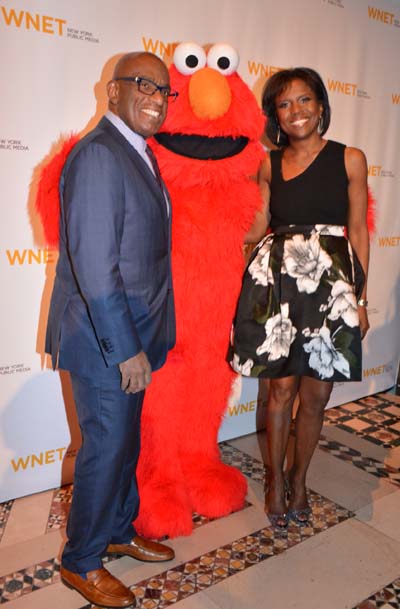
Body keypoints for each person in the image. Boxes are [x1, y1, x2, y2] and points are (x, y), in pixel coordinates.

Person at [45, 51, 177, 608]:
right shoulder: (99, 154)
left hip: (132, 334)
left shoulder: (137, 151)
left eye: (165, 91)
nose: (156, 98)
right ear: (113, 91)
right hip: (105, 342)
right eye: (144, 85)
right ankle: (81, 561)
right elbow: (97, 268)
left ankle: (118, 530)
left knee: (125, 444)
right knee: (104, 447)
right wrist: (126, 350)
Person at [230, 67, 369, 530]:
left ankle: (300, 477)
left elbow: (359, 231)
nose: (296, 112)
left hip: (330, 286)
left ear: (321, 105)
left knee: (315, 395)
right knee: (279, 390)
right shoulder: (268, 164)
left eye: (305, 100)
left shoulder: (350, 158)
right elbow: (256, 227)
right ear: (275, 115)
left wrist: (359, 298)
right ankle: (273, 480)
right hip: (279, 284)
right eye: (285, 104)